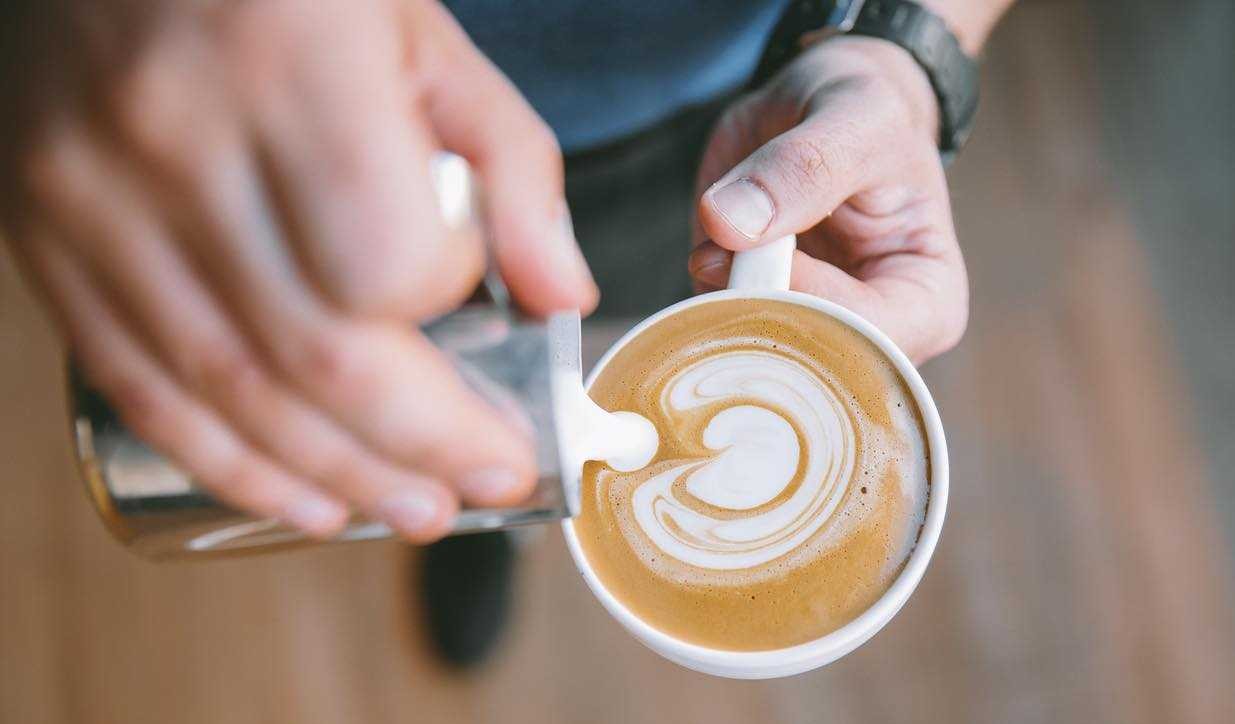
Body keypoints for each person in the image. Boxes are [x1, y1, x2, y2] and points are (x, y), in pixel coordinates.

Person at [0, 0, 1013, 664]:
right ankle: (489, 496)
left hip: (703, 110)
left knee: (569, 374)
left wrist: (898, 45)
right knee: (360, 367)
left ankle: (495, 513)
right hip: (269, 106)